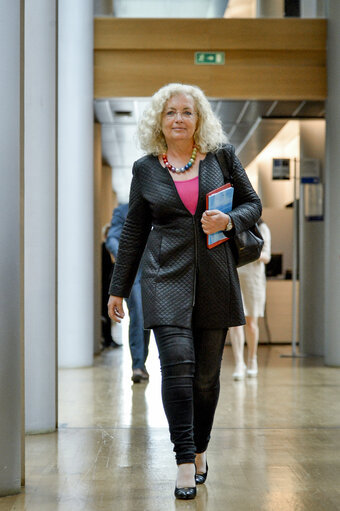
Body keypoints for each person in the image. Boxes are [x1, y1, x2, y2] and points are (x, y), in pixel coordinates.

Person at [107, 83, 262, 500]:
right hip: (164, 276)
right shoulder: (146, 169)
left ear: (199, 119)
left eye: (187, 112)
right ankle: (182, 459)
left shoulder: (222, 157)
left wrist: (227, 222)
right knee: (176, 365)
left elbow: (253, 205)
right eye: (171, 112)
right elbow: (135, 230)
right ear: (160, 119)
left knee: (207, 379)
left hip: (215, 274)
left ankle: (200, 450)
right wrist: (117, 289)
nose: (179, 118)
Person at [106, 203, 150, 383]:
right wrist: (127, 258)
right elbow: (112, 239)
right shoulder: (123, 210)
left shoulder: (162, 204)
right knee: (139, 314)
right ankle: (138, 366)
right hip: (136, 273)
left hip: (164, 269)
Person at [229, 219, 271, 380]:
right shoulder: (231, 224)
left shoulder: (262, 227)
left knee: (251, 323)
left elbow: (266, 256)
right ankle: (239, 363)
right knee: (235, 323)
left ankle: (252, 359)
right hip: (235, 276)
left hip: (253, 279)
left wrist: (248, 249)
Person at [101, 223, 121, 349]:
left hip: (110, 287)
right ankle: (107, 339)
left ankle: (109, 339)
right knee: (104, 313)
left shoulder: (114, 250)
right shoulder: (103, 249)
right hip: (104, 287)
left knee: (109, 314)